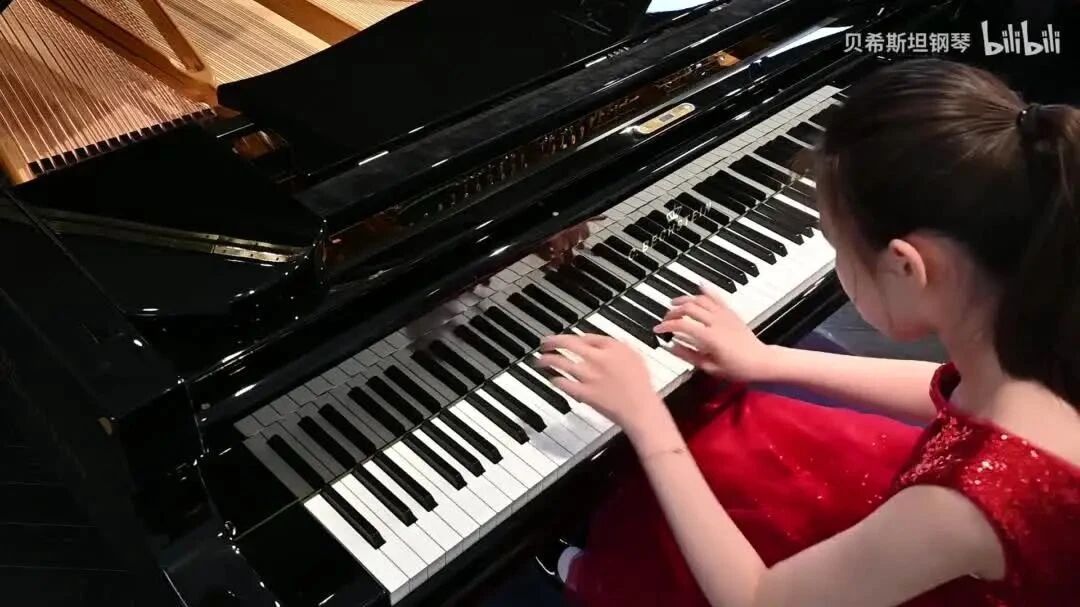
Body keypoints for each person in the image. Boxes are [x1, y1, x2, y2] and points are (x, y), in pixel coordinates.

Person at [535, 58, 1080, 606]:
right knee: (727, 431)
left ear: (906, 266)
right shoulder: (1038, 334)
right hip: (956, 512)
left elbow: (758, 599)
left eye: (839, 248)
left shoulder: (964, 505)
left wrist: (646, 417)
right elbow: (947, 386)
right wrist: (766, 360)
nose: (839, 264)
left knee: (679, 498)